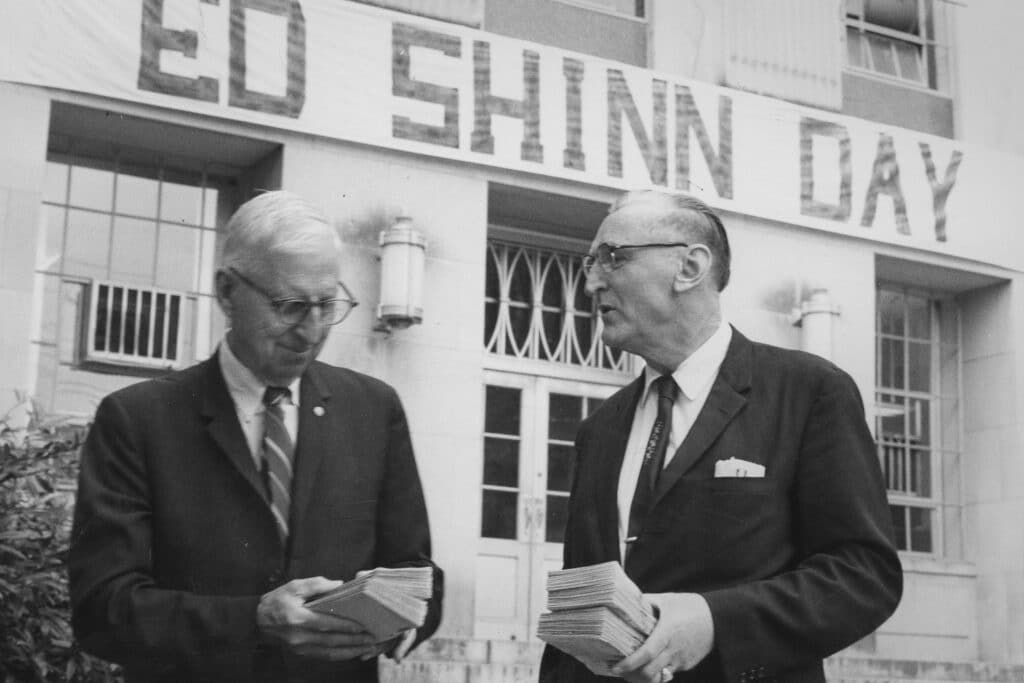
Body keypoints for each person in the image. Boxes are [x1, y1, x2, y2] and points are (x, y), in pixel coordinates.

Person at [69, 191, 442, 682]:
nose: (311, 331)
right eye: (289, 306)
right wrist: (254, 620)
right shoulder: (137, 420)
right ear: (227, 292)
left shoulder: (375, 410)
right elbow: (103, 608)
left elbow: (417, 574)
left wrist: (399, 620)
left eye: (327, 304)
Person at [539, 190, 902, 683]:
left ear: (689, 267)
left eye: (612, 258)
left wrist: (715, 622)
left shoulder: (809, 392)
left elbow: (863, 576)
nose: (591, 281)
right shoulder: (599, 430)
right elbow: (585, 609)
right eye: (590, 263)